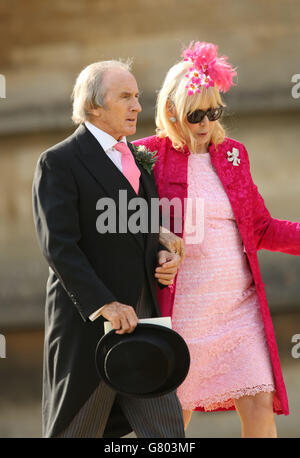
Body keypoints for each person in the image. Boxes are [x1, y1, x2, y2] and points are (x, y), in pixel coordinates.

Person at [133, 41, 300, 438]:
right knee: (173, 422)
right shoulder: (145, 157)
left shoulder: (233, 155)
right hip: (181, 315)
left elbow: (259, 227)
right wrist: (158, 240)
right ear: (172, 111)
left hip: (239, 311)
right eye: (195, 114)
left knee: (260, 405)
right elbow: (123, 223)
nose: (206, 122)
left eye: (214, 111)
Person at [32, 59, 185, 438]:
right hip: (91, 329)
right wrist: (106, 305)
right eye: (125, 97)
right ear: (94, 106)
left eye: (137, 97)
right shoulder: (58, 162)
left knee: (168, 434)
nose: (137, 106)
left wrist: (162, 254)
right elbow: (59, 247)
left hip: (146, 326)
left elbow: (139, 230)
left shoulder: (137, 159)